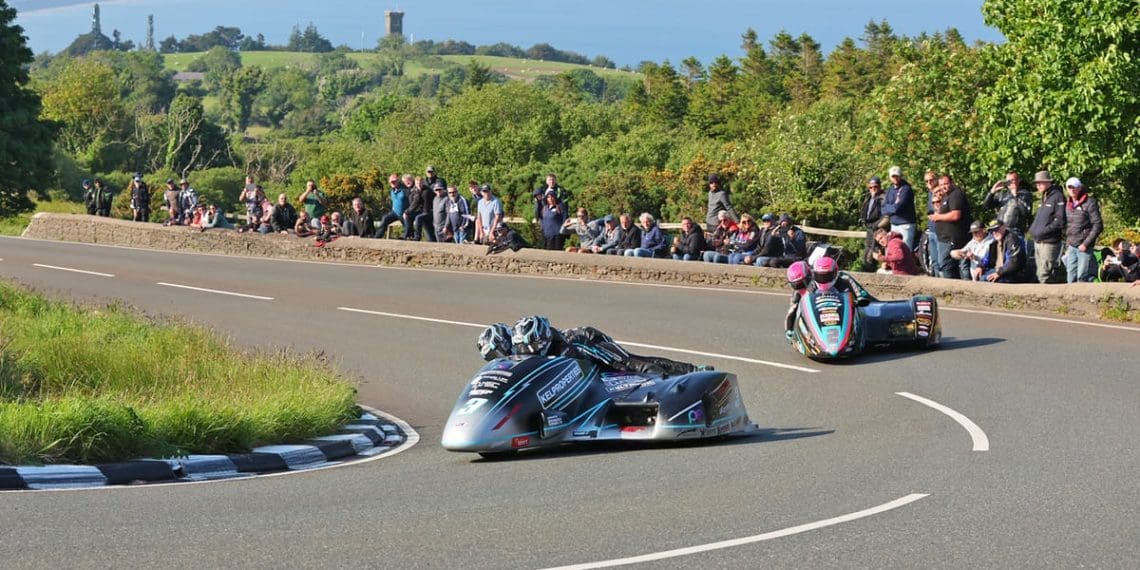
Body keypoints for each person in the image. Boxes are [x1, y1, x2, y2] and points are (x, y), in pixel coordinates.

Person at [483, 315, 701, 377]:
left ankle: (689, 371)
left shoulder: (572, 344)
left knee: (628, 364)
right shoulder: (520, 349)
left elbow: (617, 363)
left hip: (588, 340)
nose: (526, 352)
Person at [929, 175, 972, 279]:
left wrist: (938, 217)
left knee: (951, 266)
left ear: (952, 183)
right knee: (946, 266)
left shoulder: (956, 194)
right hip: (944, 238)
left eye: (946, 183)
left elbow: (955, 215)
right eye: (941, 184)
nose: (944, 187)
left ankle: (955, 290)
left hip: (952, 239)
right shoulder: (946, 196)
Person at [1027, 170, 1067, 283]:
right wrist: (1033, 229)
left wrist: (1043, 231)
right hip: (1038, 241)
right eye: (1036, 183)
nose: (1038, 185)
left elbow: (1060, 221)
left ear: (1048, 182)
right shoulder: (1044, 197)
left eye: (1040, 182)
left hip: (1049, 242)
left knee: (1045, 273)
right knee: (1040, 272)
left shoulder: (1057, 196)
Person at [983, 169, 1034, 237]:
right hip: (1000, 230)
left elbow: (1025, 211)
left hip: (1016, 232)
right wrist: (992, 192)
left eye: (1013, 180)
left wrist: (1015, 194)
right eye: (1008, 181)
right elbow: (986, 206)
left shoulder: (1025, 194)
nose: (1011, 182)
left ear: (1018, 180)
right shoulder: (1002, 195)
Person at [882, 166, 917, 248]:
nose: (895, 178)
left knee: (906, 250)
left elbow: (897, 208)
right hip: (894, 225)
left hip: (905, 225)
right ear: (890, 177)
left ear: (900, 175)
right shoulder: (890, 189)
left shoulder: (906, 189)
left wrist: (890, 207)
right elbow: (883, 208)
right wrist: (892, 207)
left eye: (896, 176)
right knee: (895, 250)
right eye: (893, 176)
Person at [860, 177, 886, 271]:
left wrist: (876, 225)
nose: (873, 189)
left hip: (878, 229)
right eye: (871, 187)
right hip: (869, 228)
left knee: (873, 253)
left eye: (875, 186)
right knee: (867, 251)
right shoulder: (869, 198)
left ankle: (873, 273)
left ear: (879, 186)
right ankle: (868, 272)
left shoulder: (882, 198)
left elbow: (885, 216)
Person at [375, 174, 409, 239]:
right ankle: (377, 237)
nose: (393, 183)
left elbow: (411, 200)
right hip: (394, 212)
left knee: (407, 225)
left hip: (404, 212)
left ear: (398, 181)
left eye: (394, 181)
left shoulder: (405, 190)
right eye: (391, 182)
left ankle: (407, 237)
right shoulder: (392, 191)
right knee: (385, 218)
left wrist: (407, 211)